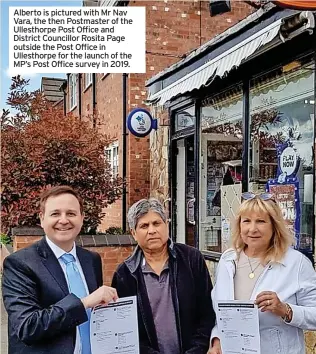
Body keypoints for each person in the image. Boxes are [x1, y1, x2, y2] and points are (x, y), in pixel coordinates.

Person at [2, 185, 118, 354]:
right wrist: (84, 303)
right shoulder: (19, 264)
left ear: (82, 218)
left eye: (71, 213)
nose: (64, 220)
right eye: (55, 213)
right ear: (42, 219)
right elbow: (28, 327)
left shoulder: (91, 260)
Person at [208, 192, 316, 354]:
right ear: (239, 226)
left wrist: (285, 310)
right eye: (246, 221)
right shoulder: (227, 260)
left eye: (260, 221)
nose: (253, 229)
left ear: (274, 225)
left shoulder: (296, 263)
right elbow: (222, 314)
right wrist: (217, 340)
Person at [112, 198, 216, 354]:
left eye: (156, 223)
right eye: (144, 226)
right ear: (134, 233)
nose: (152, 230)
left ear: (166, 225)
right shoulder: (125, 274)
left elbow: (207, 312)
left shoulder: (191, 259)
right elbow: (125, 330)